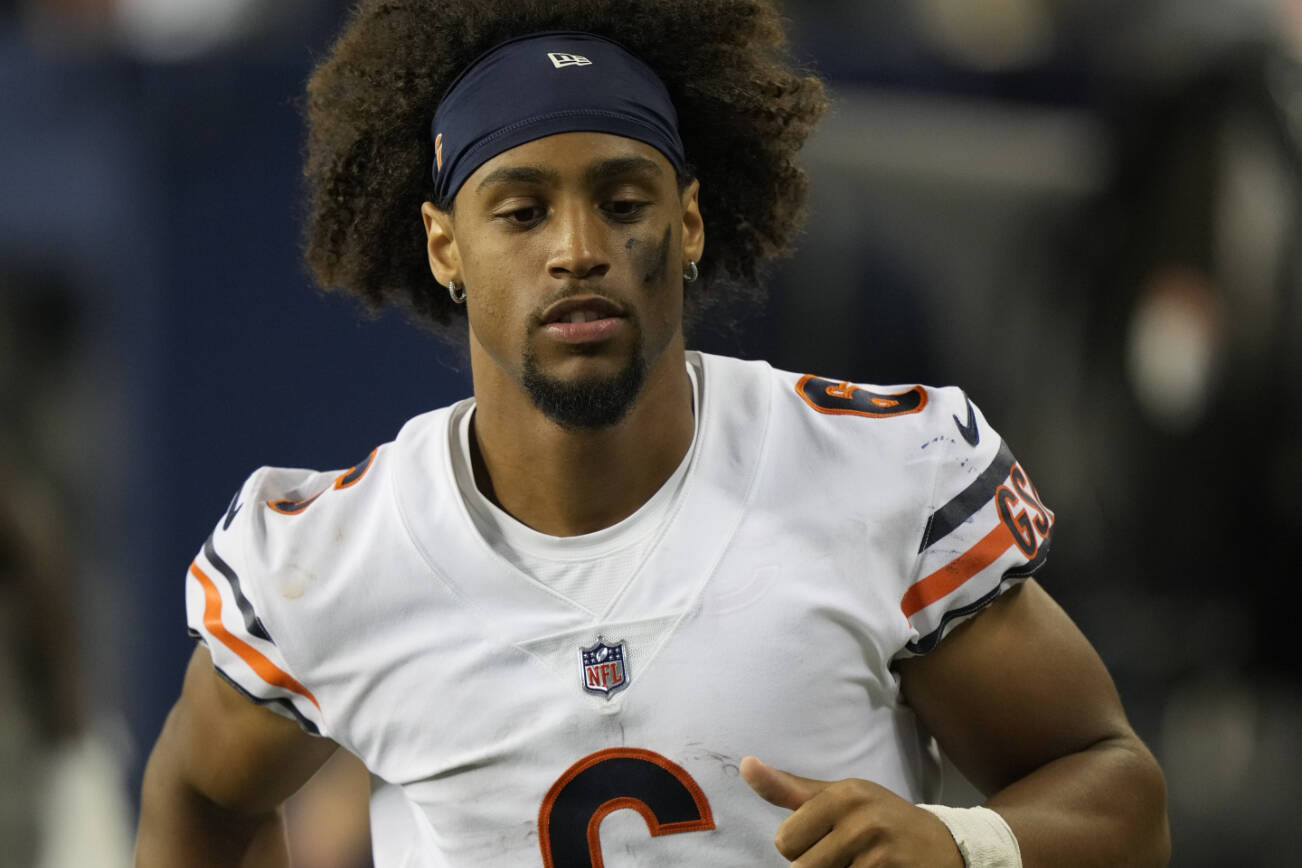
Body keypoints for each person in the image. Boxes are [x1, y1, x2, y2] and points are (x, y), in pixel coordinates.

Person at [134, 1, 1170, 865]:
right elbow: (199, 797)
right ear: (446, 247)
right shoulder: (333, 563)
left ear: (688, 224)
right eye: (523, 210)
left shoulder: (873, 483)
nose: (580, 249)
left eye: (622, 200)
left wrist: (965, 844)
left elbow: (1120, 793)